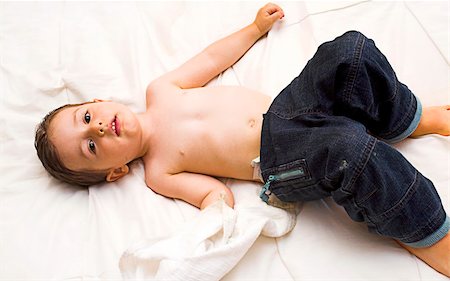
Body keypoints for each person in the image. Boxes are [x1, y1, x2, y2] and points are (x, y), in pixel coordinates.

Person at [35, 3, 449, 276]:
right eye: (91, 145)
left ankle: (405, 119)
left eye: (87, 117)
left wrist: (252, 29)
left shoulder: (160, 90)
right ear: (114, 172)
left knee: (350, 52)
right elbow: (215, 199)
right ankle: (423, 230)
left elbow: (212, 60)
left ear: (99, 101)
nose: (99, 128)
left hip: (287, 110)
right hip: (279, 158)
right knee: (345, 149)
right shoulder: (159, 171)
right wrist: (213, 222)